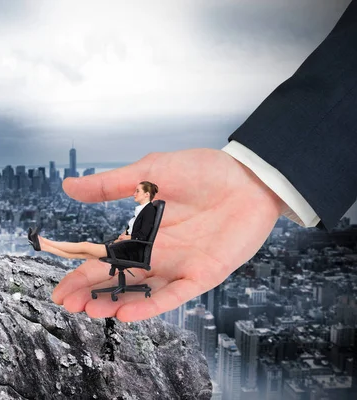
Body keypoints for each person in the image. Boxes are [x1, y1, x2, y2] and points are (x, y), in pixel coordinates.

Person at [51, 1, 357, 323]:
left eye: (140, 192)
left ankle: (46, 244)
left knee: (89, 247)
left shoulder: (148, 213)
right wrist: (259, 174)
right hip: (137, 251)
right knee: (89, 247)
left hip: (137, 253)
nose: (137, 195)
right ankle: (49, 244)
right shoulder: (147, 212)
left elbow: (140, 241)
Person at [28, 181, 158, 262]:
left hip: (129, 252)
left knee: (84, 246)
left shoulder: (149, 210)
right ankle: (42, 246)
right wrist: (122, 236)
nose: (134, 193)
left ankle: (43, 241)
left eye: (138, 191)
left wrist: (126, 238)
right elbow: (133, 229)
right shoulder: (142, 210)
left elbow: (143, 236)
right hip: (124, 247)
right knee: (80, 254)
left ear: (147, 194)